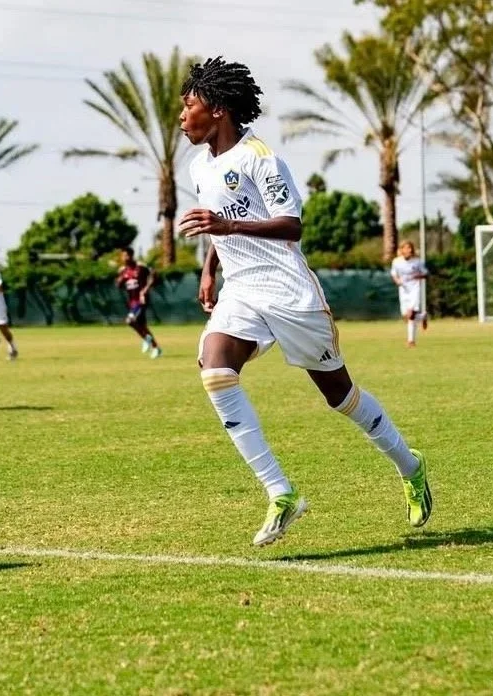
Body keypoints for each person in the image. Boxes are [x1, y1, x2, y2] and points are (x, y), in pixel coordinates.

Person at [178, 56, 431, 547]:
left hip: (289, 291)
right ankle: (280, 491)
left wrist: (227, 226)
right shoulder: (198, 165)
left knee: (339, 396)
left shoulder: (259, 157)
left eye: (190, 105)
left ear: (218, 109)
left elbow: (292, 225)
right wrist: (210, 269)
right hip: (242, 290)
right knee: (214, 368)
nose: (183, 116)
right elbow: (215, 225)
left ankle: (410, 464)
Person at [115, 247, 161, 358]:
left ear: (131, 255)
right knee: (142, 326)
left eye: (126, 255)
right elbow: (118, 285)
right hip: (132, 302)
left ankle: (146, 339)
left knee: (130, 321)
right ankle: (156, 348)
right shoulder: (123, 270)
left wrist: (145, 289)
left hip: (141, 300)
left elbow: (153, 275)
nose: (124, 258)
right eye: (123, 256)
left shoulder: (140, 267)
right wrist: (120, 280)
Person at [390, 240, 429, 346]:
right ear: (401, 250)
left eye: (410, 247)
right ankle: (422, 317)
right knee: (405, 316)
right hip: (403, 290)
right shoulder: (396, 261)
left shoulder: (417, 261)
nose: (409, 250)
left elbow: (426, 274)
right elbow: (394, 274)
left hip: (415, 289)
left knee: (411, 314)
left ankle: (411, 341)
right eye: (406, 248)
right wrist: (397, 281)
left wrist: (418, 276)